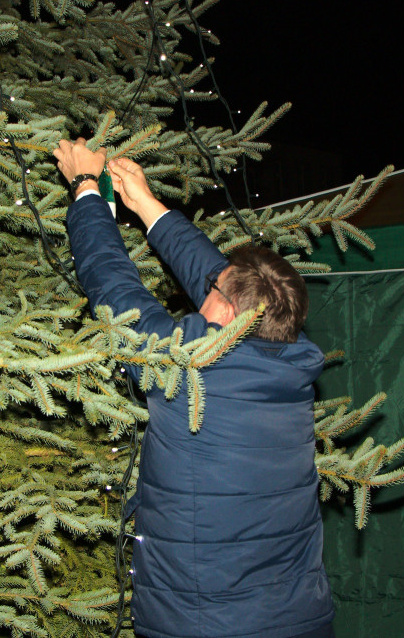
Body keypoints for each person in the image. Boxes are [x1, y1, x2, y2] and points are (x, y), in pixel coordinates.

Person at [54, 138, 335, 638]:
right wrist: (144, 202)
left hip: (201, 627)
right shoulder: (290, 366)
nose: (203, 288)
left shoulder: (188, 366)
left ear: (228, 314)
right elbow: (221, 277)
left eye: (213, 291)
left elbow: (114, 287)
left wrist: (84, 189)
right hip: (298, 620)